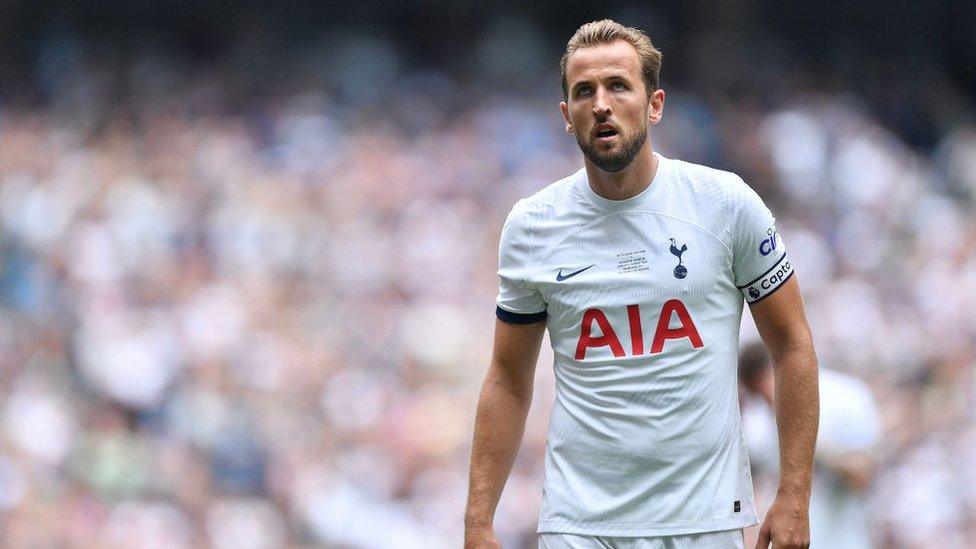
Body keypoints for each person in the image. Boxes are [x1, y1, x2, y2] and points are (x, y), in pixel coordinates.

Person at [464, 19, 819, 549]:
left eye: (618, 86)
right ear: (567, 117)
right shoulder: (532, 227)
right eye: (584, 91)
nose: (600, 104)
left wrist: (794, 494)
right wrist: (477, 521)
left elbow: (792, 344)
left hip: (705, 517)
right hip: (580, 524)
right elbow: (509, 379)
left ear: (654, 104)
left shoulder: (725, 204)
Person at [739, 343, 880, 549]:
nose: (764, 398)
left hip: (842, 539)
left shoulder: (845, 396)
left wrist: (798, 431)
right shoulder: (757, 417)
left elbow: (862, 475)